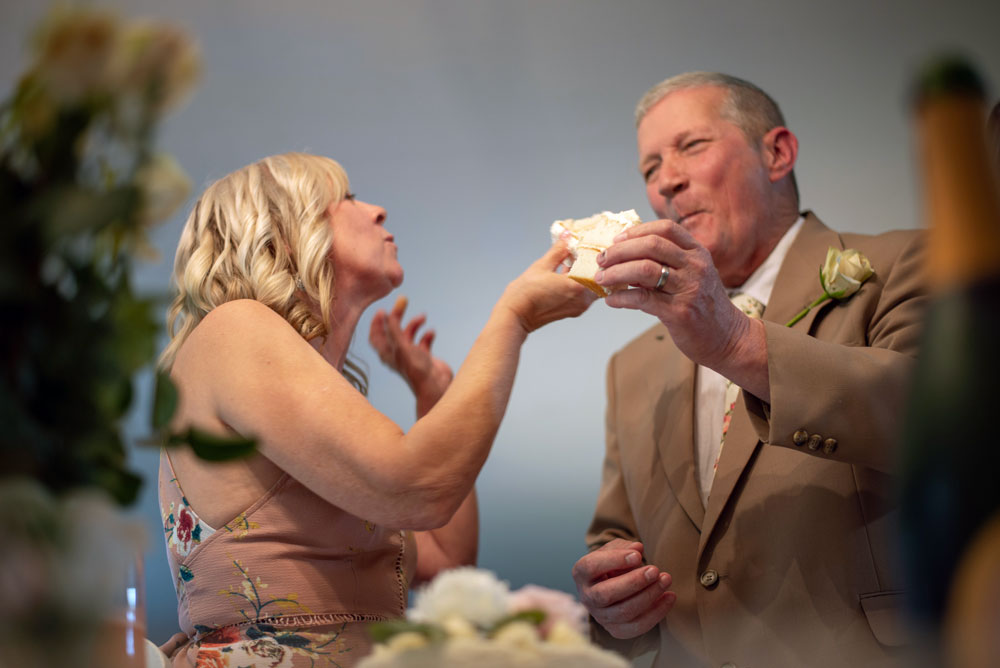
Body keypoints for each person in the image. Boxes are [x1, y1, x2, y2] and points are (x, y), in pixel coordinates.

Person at [156, 152, 594, 667]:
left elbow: (448, 563)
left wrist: (433, 394)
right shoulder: (234, 328)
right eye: (347, 198)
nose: (379, 210)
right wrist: (512, 316)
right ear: (283, 230)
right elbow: (418, 489)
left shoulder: (304, 395)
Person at [571, 72, 928, 667]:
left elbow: (945, 425)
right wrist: (608, 607)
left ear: (778, 152)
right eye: (650, 168)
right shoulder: (630, 366)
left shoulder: (905, 262)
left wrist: (733, 340)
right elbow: (616, 536)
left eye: (691, 146)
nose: (667, 181)